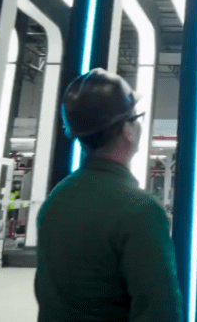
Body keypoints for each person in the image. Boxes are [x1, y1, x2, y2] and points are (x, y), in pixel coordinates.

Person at [35, 68, 183, 322]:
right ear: (127, 130)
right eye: (137, 118)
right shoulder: (139, 211)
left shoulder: (56, 200)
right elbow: (160, 311)